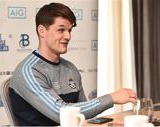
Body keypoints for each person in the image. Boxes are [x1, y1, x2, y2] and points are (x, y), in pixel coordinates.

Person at [9, 2, 137, 126]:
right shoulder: (29, 71)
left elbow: (85, 116)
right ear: (42, 31)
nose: (68, 36)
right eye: (61, 30)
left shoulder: (70, 68)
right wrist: (111, 98)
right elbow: (60, 112)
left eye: (69, 30)